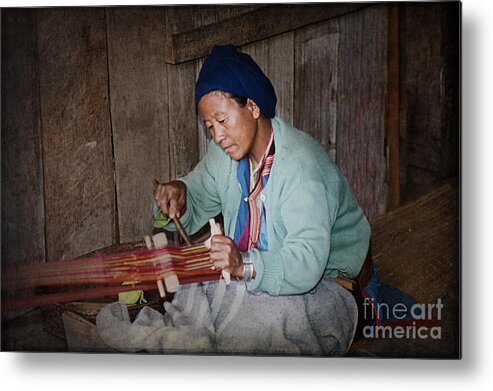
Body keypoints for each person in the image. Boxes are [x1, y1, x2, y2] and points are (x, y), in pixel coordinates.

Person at [97, 44, 371, 356]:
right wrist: (180, 195)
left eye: (222, 120)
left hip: (329, 282)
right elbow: (198, 193)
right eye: (209, 126)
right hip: (262, 273)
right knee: (196, 292)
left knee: (262, 329)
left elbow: (307, 263)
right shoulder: (224, 156)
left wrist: (244, 265)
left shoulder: (300, 167)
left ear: (253, 107)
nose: (217, 136)